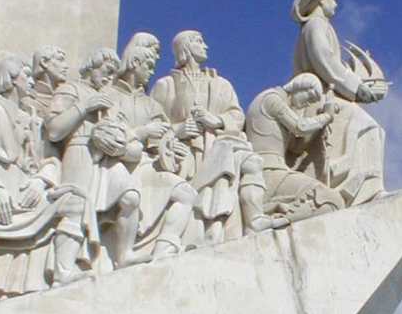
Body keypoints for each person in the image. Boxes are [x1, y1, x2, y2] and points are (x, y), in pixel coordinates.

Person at [0, 54, 87, 297]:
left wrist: (41, 181)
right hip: (0, 192)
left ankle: (64, 273)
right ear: (10, 78)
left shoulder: (33, 119)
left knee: (75, 203)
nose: (31, 81)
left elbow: (50, 159)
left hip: (28, 191)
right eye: (26, 76)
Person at [152, 29, 280, 242]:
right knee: (224, 162)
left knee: (250, 162)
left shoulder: (221, 83)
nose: (206, 46)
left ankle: (254, 219)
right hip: (187, 154)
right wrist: (179, 130)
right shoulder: (166, 85)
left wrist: (217, 120)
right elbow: (154, 123)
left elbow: (236, 115)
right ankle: (208, 233)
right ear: (186, 48)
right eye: (199, 41)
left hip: (220, 143)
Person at [47, 48, 147, 270]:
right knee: (78, 207)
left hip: (107, 159)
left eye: (114, 74)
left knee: (130, 197)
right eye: (107, 71)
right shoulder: (70, 89)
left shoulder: (109, 100)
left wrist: (120, 139)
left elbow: (125, 135)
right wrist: (84, 106)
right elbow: (54, 130)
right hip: (79, 151)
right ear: (92, 66)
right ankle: (63, 269)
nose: (111, 78)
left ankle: (124, 254)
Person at [291, 0, 386, 205]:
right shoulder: (315, 25)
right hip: (319, 99)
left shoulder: (322, 26)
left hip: (330, 95)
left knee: (370, 129)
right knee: (368, 126)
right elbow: (325, 62)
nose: (335, 2)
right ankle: (363, 191)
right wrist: (357, 89)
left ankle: (367, 186)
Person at [107, 39, 198, 258]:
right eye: (148, 66)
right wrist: (144, 131)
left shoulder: (151, 105)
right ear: (134, 62)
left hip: (145, 166)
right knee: (130, 199)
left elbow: (163, 140)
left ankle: (163, 251)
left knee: (185, 194)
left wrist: (175, 144)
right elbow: (108, 136)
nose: (151, 72)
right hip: (115, 164)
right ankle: (123, 256)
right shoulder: (109, 96)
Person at [245, 73, 344, 222]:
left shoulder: (276, 103)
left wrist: (321, 123)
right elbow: (300, 126)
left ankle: (276, 215)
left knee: (332, 201)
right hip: (269, 172)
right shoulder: (271, 99)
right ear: (300, 88)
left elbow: (296, 147)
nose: (307, 105)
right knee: (331, 200)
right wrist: (327, 116)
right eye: (309, 99)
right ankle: (279, 221)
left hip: (274, 171)